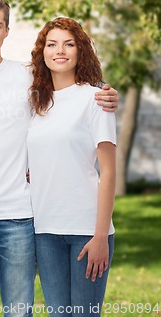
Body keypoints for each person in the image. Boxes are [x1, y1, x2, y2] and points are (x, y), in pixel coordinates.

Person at [0, 0, 119, 317]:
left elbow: (74, 93)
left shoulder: (29, 78)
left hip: (19, 217)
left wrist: (109, 94)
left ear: (7, 31)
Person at [27, 17, 116, 317]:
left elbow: (109, 172)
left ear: (81, 51)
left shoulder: (96, 99)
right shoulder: (37, 105)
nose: (59, 51)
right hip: (45, 230)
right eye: (52, 44)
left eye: (68, 44)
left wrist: (101, 235)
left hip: (86, 230)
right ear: (43, 53)